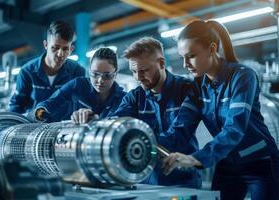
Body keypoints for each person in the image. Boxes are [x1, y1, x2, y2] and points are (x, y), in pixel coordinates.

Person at [161, 20, 279, 200]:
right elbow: (180, 129)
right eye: (182, 58)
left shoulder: (242, 76)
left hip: (260, 164)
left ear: (212, 48)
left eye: (191, 56)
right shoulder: (197, 87)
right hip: (228, 164)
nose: (186, 64)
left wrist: (197, 159)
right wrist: (146, 139)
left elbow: (235, 128)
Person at [74, 37, 201, 188]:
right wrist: (97, 121)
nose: (138, 77)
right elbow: (116, 122)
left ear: (161, 63)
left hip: (184, 180)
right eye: (134, 71)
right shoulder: (134, 97)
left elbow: (178, 135)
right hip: (147, 182)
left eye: (143, 71)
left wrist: (137, 139)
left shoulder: (187, 90)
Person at [9, 20, 85, 118]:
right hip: (34, 128)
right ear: (45, 45)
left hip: (65, 128)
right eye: (55, 47)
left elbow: (83, 104)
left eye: (65, 49)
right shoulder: (27, 72)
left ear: (71, 49)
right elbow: (16, 105)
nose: (60, 54)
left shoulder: (77, 71)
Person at [34, 47, 126, 123]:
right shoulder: (78, 85)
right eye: (95, 74)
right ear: (89, 71)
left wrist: (97, 121)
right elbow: (51, 102)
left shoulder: (124, 100)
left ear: (116, 74)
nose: (100, 80)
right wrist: (40, 113)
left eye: (107, 75)